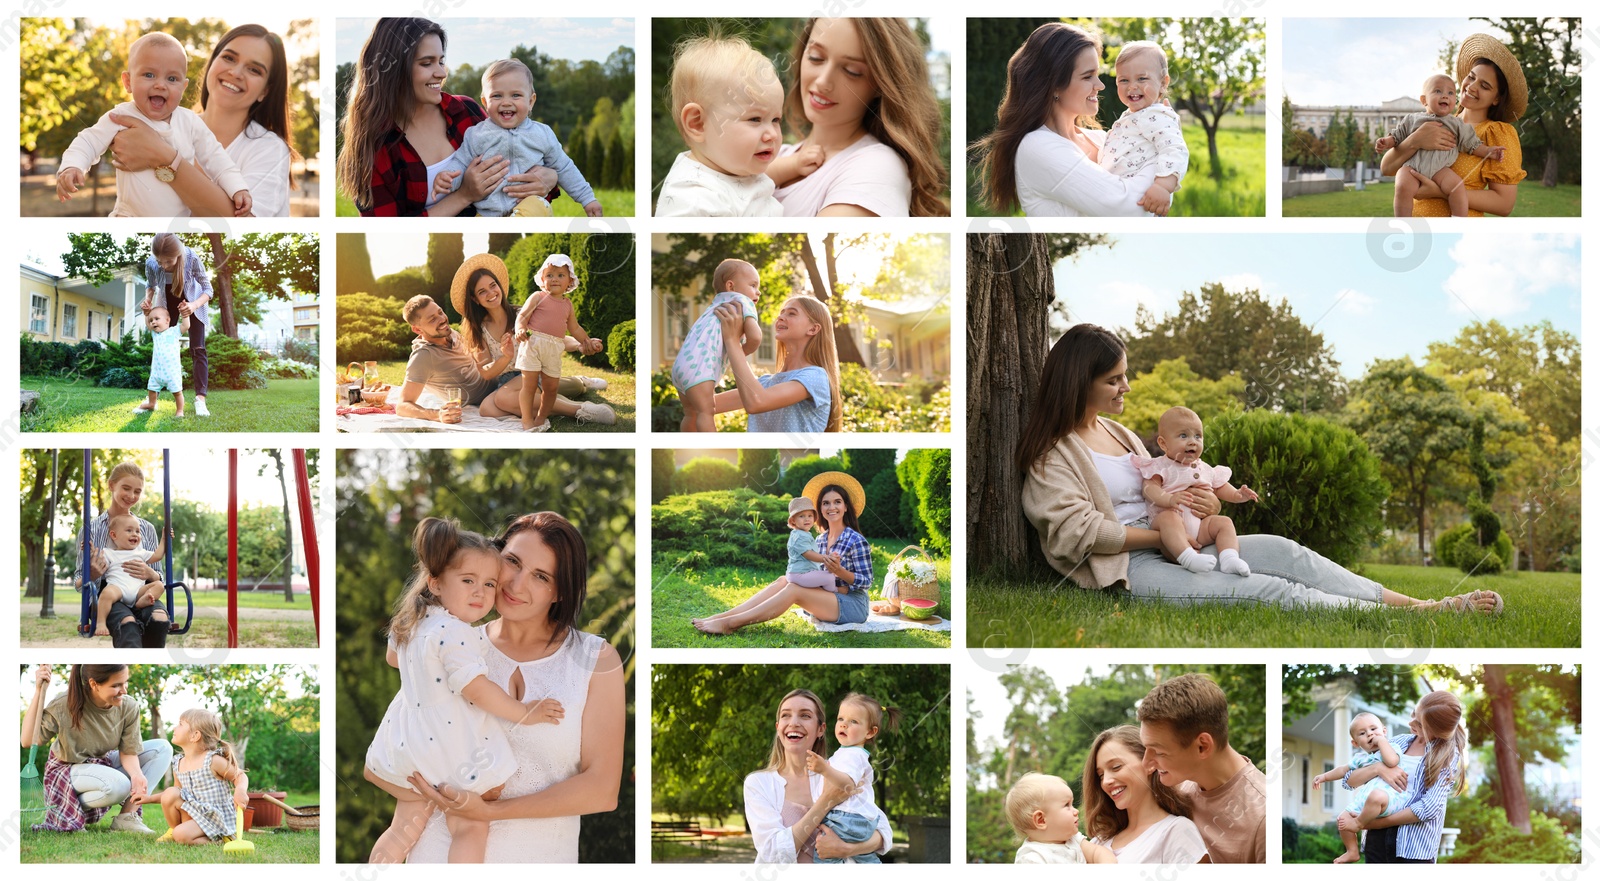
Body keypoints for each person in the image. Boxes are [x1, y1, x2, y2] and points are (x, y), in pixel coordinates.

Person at [1017, 322, 1504, 613]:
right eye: (1114, 380)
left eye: (1126, 376)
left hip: (1183, 543)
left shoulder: (1119, 434)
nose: (1127, 388)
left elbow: (1162, 483)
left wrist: (1203, 507)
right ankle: (1416, 618)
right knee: (1266, 589)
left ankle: (1422, 607)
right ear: (1079, 383)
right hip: (1129, 566)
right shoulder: (1052, 455)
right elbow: (1074, 534)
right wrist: (1170, 538)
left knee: (1290, 555)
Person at [401, 512, 626, 863]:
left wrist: (491, 812)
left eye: (540, 576)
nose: (516, 584)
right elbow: (405, 743)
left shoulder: (596, 660)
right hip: (437, 854)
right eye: (512, 562)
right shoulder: (452, 646)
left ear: (560, 591)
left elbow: (601, 790)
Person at [365, 518, 562, 863]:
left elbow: (393, 658)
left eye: (489, 584)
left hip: (411, 741)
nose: (480, 592)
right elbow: (477, 691)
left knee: (401, 829)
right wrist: (525, 712)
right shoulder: (455, 632)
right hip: (450, 744)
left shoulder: (415, 621)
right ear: (436, 583)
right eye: (468, 580)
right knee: (470, 826)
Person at [336, 18, 559, 217]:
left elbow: (522, 159)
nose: (442, 73)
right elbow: (386, 231)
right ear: (393, 70)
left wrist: (551, 178)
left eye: (441, 61)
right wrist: (464, 195)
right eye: (426, 63)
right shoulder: (372, 149)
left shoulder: (466, 111)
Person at [107, 24, 300, 217]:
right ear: (212, 63)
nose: (236, 73)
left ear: (265, 91)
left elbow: (245, 226)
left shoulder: (269, 148)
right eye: (229, 58)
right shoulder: (162, 125)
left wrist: (164, 158)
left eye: (254, 70)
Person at [974, 22, 1158, 217]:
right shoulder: (1038, 147)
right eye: (1088, 77)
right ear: (1054, 84)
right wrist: (1163, 147)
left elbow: (1156, 205)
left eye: (1097, 74)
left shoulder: (1102, 138)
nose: (1100, 85)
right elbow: (1133, 209)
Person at [57, 32, 250, 217]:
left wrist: (237, 187)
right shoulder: (120, 117)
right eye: (149, 75)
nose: (160, 85)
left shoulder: (190, 122)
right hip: (129, 216)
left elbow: (216, 157)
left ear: (183, 87)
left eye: (172, 79)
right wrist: (72, 166)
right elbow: (89, 141)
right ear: (128, 82)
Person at [772, 18, 947, 217]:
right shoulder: (776, 155)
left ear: (881, 85)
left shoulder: (878, 168)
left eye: (852, 71)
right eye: (815, 57)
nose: (823, 82)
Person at [693, 472, 873, 634]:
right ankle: (722, 617)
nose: (831, 507)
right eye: (826, 503)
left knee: (793, 588)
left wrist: (839, 571)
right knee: (784, 580)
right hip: (829, 596)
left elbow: (867, 582)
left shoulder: (855, 540)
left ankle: (730, 624)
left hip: (852, 604)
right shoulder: (819, 540)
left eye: (837, 502)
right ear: (820, 509)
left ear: (846, 507)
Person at [397, 294, 615, 427]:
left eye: (440, 312)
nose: (442, 320)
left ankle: (581, 395)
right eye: (432, 319)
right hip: (495, 391)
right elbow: (402, 405)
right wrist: (436, 415)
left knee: (565, 387)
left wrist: (580, 344)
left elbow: (546, 337)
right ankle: (579, 397)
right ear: (417, 329)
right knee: (489, 409)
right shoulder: (422, 356)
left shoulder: (451, 334)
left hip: (508, 380)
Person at [1379, 34, 1527, 217]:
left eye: (1485, 86)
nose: (1471, 87)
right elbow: (1386, 169)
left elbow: (1504, 205)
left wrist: (1439, 192)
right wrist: (1415, 141)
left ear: (1496, 98)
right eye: (1471, 77)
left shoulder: (1496, 133)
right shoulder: (1437, 121)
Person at [430, 59, 600, 217]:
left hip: (530, 205)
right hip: (487, 212)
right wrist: (448, 177)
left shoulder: (542, 134)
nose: (506, 102)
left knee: (537, 207)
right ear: (484, 102)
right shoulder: (476, 134)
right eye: (497, 96)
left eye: (516, 95)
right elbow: (461, 161)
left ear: (531, 101)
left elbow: (564, 167)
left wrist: (587, 199)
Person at [21, 664, 173, 834]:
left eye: (125, 683)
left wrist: (137, 774)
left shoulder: (128, 706)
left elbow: (128, 751)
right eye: (115, 685)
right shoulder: (64, 703)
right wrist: (38, 691)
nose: (123, 690)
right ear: (94, 684)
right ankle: (66, 808)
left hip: (103, 764)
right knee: (120, 785)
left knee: (163, 748)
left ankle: (126, 817)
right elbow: (27, 741)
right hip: (67, 770)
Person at [744, 689, 892, 863]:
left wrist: (846, 849)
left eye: (805, 716)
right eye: (786, 715)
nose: (794, 722)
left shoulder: (838, 772)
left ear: (820, 729)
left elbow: (883, 830)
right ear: (778, 728)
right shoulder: (759, 784)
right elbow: (773, 853)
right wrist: (826, 800)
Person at [1136, 673, 1265, 863]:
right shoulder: (1175, 790)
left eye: (1159, 752)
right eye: (1146, 749)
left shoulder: (1263, 817)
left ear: (1202, 746)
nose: (1146, 763)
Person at [657, 36, 790, 217]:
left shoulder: (733, 166)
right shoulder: (694, 201)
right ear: (697, 123)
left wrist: (797, 164)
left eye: (776, 120)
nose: (772, 134)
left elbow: (769, 174)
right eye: (755, 119)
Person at [450, 254, 607, 403]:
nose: (491, 293)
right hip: (509, 383)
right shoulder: (479, 329)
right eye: (482, 291)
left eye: (493, 285)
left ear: (499, 286)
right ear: (474, 299)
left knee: (576, 387)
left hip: (535, 374)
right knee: (492, 408)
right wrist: (505, 357)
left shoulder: (522, 314)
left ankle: (580, 382)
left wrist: (581, 345)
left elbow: (554, 338)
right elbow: (487, 372)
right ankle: (555, 402)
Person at [1338, 691, 1468, 864]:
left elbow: (1429, 808)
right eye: (1414, 713)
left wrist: (1371, 823)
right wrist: (1378, 769)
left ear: (1437, 731)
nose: (1410, 722)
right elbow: (1348, 780)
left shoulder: (1447, 756)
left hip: (1413, 847)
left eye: (1419, 723)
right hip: (1376, 841)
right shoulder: (1400, 741)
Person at [1131, 406, 1259, 576]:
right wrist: (1168, 499)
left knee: (1224, 522)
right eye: (1183, 436)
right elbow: (1149, 489)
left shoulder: (1204, 468)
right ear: (1163, 443)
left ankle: (1229, 558)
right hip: (1170, 535)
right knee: (1168, 517)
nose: (1193, 441)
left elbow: (1219, 486)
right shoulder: (1161, 466)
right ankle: (1188, 557)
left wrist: (1238, 495)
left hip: (1200, 530)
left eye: (1198, 436)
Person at [1375, 74, 1505, 217]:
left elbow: (1471, 144)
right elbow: (1397, 135)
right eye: (1438, 91)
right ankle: (1404, 222)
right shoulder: (1412, 119)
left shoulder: (1457, 124)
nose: (1445, 96)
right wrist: (1386, 142)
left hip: (1440, 169)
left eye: (1450, 93)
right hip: (1411, 167)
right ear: (1424, 100)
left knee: (1457, 187)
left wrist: (1488, 151)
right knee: (1402, 186)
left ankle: (1458, 221)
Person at [76, 461, 171, 648]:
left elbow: (158, 574)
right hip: (110, 594)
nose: (131, 496)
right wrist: (93, 574)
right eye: (126, 488)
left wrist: (151, 574)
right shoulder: (91, 529)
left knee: (159, 618)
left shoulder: (146, 529)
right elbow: (80, 582)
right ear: (111, 485)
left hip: (141, 593)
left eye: (137, 491)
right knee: (127, 624)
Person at [712, 295, 842, 433]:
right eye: (782, 313)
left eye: (791, 313)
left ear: (813, 329)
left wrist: (732, 340)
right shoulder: (765, 384)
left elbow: (756, 402)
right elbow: (705, 405)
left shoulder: (815, 377)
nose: (780, 317)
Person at [1083, 726, 1207, 862]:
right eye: (1101, 775)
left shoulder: (1176, 831)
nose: (1106, 781)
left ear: (1149, 764)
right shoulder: (1097, 843)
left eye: (1116, 767)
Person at [805, 693, 901, 862]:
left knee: (824, 856)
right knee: (864, 858)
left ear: (870, 732)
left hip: (846, 819)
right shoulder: (847, 753)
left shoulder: (854, 755)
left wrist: (824, 770)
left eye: (854, 721)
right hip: (857, 820)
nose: (844, 725)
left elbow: (847, 785)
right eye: (841, 718)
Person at [673, 258, 762, 431]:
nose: (757, 292)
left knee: (690, 414)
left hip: (681, 366)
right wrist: (741, 353)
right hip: (699, 370)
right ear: (731, 286)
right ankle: (710, 452)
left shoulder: (715, 305)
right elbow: (756, 337)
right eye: (753, 285)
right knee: (706, 412)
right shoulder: (743, 302)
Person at [515, 254, 600, 433]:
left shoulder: (567, 305)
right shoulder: (538, 297)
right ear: (542, 278)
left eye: (561, 275)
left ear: (569, 281)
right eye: (550, 275)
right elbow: (522, 316)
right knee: (529, 385)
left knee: (551, 388)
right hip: (533, 345)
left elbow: (575, 328)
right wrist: (520, 329)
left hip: (554, 349)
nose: (555, 279)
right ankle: (526, 419)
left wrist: (587, 341)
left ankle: (541, 417)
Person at [1102, 41, 1188, 216]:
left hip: (1143, 200)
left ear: (1163, 83)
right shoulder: (1131, 115)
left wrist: (1163, 186)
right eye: (1124, 80)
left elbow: (1175, 149)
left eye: (1142, 78)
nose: (1132, 86)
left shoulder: (1157, 115)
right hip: (1119, 192)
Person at [142, 233, 216, 418]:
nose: (164, 266)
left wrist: (193, 306)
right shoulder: (152, 262)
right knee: (161, 345)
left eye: (168, 262)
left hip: (193, 302)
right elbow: (150, 285)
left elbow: (208, 289)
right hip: (167, 302)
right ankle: (152, 400)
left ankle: (200, 400)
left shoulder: (191, 258)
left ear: (178, 254)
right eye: (160, 261)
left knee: (198, 349)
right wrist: (148, 300)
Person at [1312, 713, 1401, 864]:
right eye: (1362, 733)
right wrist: (1324, 777)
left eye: (1374, 729)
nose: (1370, 734)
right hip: (1364, 801)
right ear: (1355, 743)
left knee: (1376, 796)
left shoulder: (1391, 748)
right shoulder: (1360, 758)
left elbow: (1392, 761)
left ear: (1384, 731)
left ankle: (1359, 824)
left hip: (1388, 797)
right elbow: (1342, 770)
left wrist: (1381, 742)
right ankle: (1352, 851)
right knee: (1342, 818)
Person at [154, 708, 249, 846]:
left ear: (195, 736)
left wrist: (240, 790)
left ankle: (221, 839)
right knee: (171, 793)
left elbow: (239, 775)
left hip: (215, 817)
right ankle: (174, 830)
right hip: (195, 812)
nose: (175, 727)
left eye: (180, 724)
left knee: (181, 835)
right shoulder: (177, 762)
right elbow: (176, 794)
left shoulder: (213, 760)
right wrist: (148, 798)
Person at [1005, 773, 1117, 863]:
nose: (1076, 811)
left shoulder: (1073, 838)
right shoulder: (1032, 858)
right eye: (1067, 805)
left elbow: (1096, 853)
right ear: (1041, 820)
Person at [91, 514, 165, 637]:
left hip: (138, 591)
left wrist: (164, 540)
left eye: (138, 531)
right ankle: (101, 623)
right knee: (106, 594)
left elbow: (157, 556)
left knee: (159, 585)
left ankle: (142, 601)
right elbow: (97, 560)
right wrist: (90, 550)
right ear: (114, 535)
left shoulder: (141, 553)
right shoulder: (109, 553)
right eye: (129, 530)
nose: (135, 534)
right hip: (118, 589)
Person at [133, 306, 185, 419]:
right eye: (152, 320)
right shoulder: (155, 335)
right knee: (152, 389)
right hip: (156, 373)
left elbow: (186, 325)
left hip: (172, 373)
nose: (153, 322)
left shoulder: (174, 331)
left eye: (156, 319)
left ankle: (180, 410)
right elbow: (147, 324)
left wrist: (185, 314)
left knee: (177, 393)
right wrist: (146, 314)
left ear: (167, 320)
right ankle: (151, 404)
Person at [782, 496, 839, 590]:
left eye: (810, 516)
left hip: (800, 573)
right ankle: (834, 594)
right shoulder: (800, 536)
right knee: (829, 577)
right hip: (800, 574)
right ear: (793, 520)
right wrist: (826, 558)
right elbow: (808, 554)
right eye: (802, 516)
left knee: (826, 575)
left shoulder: (801, 534)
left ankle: (824, 593)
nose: (806, 519)